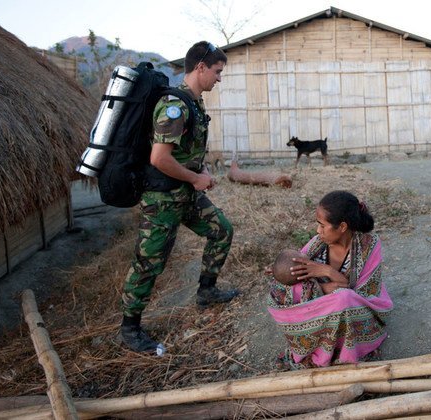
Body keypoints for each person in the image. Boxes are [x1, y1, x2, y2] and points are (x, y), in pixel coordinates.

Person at [120, 41, 239, 353]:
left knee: (221, 230)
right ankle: (130, 327)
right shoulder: (175, 106)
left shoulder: (194, 103)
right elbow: (159, 158)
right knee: (149, 262)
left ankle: (207, 291)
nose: (219, 78)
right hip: (162, 198)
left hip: (184, 194)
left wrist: (194, 179)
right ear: (200, 67)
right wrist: (196, 178)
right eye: (217, 71)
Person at [267, 191, 393, 369]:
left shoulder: (369, 245)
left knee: (344, 299)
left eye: (322, 225)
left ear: (342, 227)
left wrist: (325, 270)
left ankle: (342, 349)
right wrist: (321, 287)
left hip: (359, 310)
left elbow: (364, 294)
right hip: (327, 301)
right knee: (284, 288)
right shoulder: (318, 243)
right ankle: (314, 345)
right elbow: (295, 272)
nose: (318, 230)